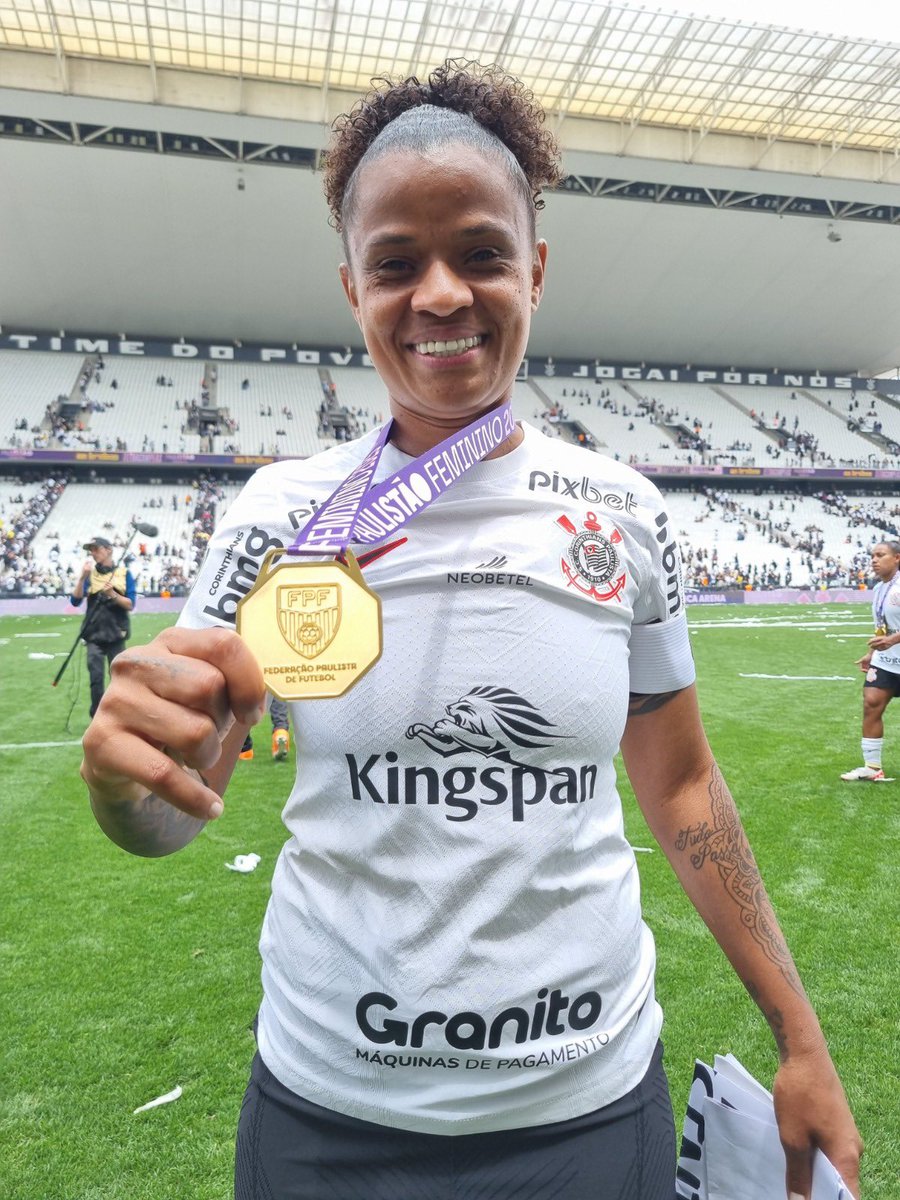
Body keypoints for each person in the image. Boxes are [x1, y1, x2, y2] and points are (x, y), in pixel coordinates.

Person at [80, 62, 861, 1200]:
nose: (440, 294)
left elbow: (683, 782)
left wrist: (801, 1033)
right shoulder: (280, 515)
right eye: (397, 263)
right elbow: (167, 816)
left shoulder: (623, 513)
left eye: (482, 254)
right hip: (331, 1110)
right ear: (352, 285)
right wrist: (121, 786)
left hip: (584, 1106)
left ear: (533, 270)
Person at [841, 539, 900, 781]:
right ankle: (873, 768)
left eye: (880, 555)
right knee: (871, 703)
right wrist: (873, 652)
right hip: (887, 658)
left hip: (893, 647)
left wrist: (893, 640)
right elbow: (881, 627)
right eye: (872, 555)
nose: (874, 560)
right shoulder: (879, 589)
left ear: (897, 558)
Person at [70, 535, 135, 717]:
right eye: (91, 550)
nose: (93, 553)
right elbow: (75, 601)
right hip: (93, 636)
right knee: (96, 679)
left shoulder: (124, 574)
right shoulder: (89, 575)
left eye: (96, 549)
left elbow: (130, 604)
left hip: (117, 634)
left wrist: (112, 594)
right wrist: (82, 578)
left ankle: (120, 715)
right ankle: (98, 717)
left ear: (109, 549)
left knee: (119, 679)